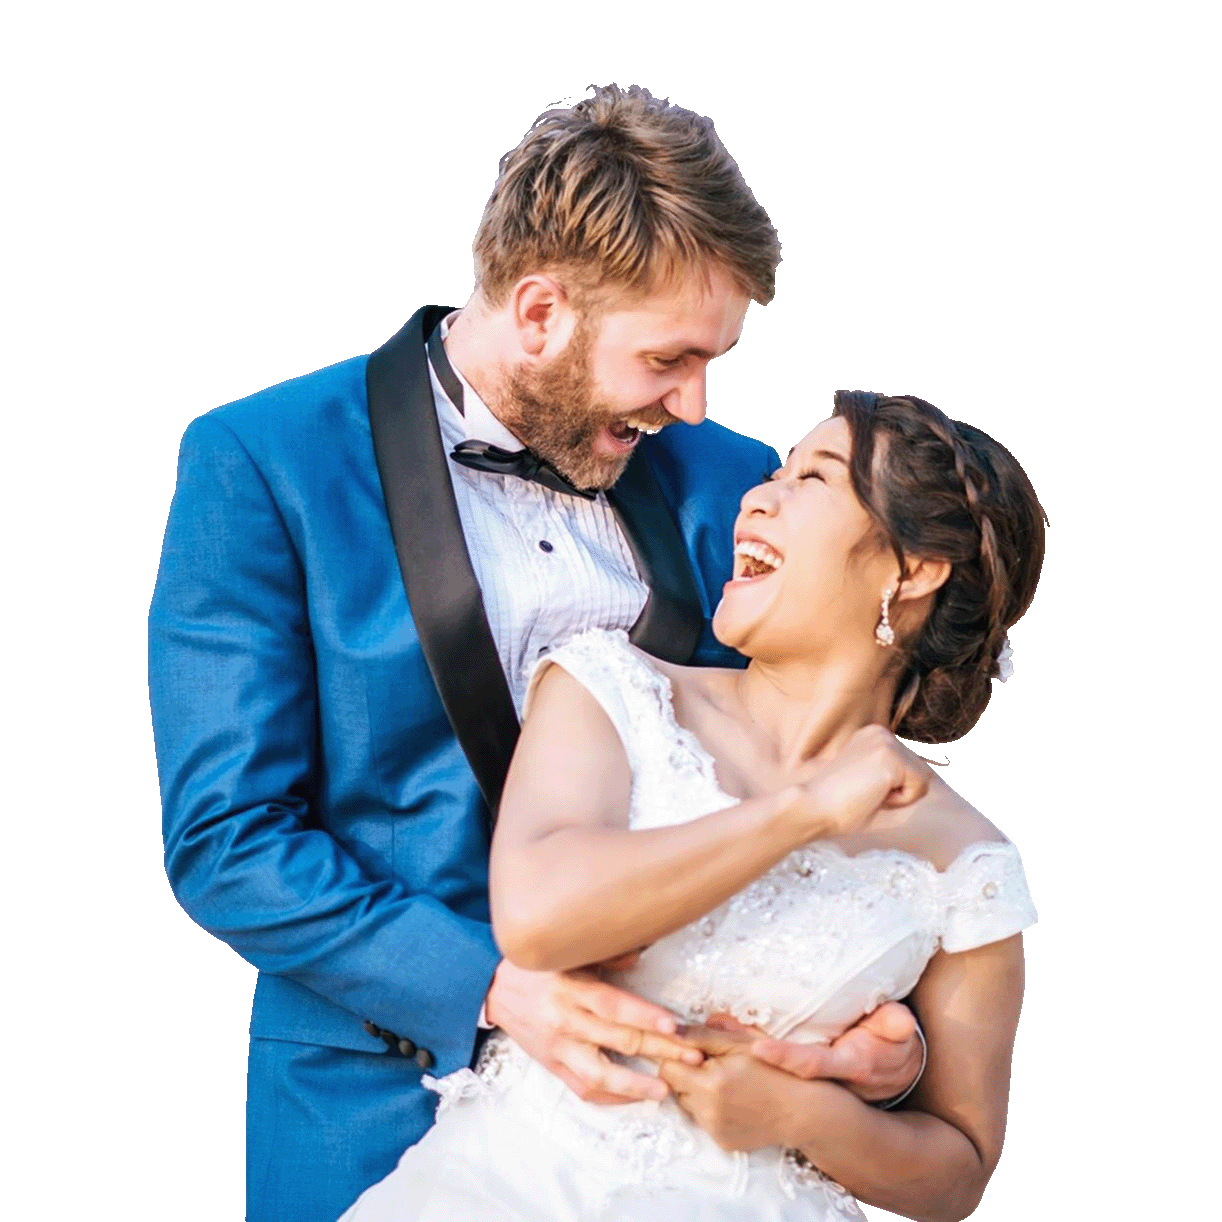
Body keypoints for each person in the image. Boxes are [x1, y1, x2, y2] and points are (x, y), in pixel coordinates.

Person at [147, 86, 923, 1222]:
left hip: (679, 1137)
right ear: (542, 309)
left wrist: (880, 1028)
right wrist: (496, 990)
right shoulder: (258, 462)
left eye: (713, 360)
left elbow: (814, 750)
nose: (695, 403)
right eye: (669, 358)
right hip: (370, 1107)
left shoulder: (729, 479)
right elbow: (227, 839)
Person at [339, 390, 1045, 1220]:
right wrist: (803, 811)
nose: (757, 496)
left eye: (812, 479)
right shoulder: (613, 687)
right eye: (774, 472)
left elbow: (958, 1172)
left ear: (912, 570)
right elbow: (537, 914)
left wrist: (801, 1116)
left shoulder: (968, 860)